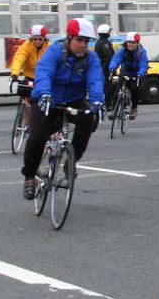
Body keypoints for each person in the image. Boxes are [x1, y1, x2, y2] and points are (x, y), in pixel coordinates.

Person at [21, 18, 105, 200]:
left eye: (87, 41)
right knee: (37, 137)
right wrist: (44, 93)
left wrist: (98, 101)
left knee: (89, 119)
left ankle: (71, 162)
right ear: (69, 38)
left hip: (74, 100)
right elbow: (44, 72)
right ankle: (29, 177)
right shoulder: (55, 51)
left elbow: (95, 80)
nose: (83, 45)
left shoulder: (91, 58)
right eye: (79, 40)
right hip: (47, 98)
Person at [108, 31, 149, 120]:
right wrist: (112, 68)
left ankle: (133, 109)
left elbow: (143, 64)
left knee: (135, 90)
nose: (130, 44)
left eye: (133, 43)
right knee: (117, 90)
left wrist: (140, 74)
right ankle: (114, 110)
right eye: (129, 42)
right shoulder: (122, 50)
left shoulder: (141, 52)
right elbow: (116, 60)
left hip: (137, 74)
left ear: (137, 43)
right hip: (125, 73)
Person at [94, 24, 116, 108]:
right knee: (108, 86)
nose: (110, 33)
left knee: (108, 86)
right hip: (105, 68)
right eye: (109, 31)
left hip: (105, 67)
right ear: (105, 32)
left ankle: (109, 103)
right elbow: (108, 56)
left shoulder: (103, 42)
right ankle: (108, 105)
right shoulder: (104, 43)